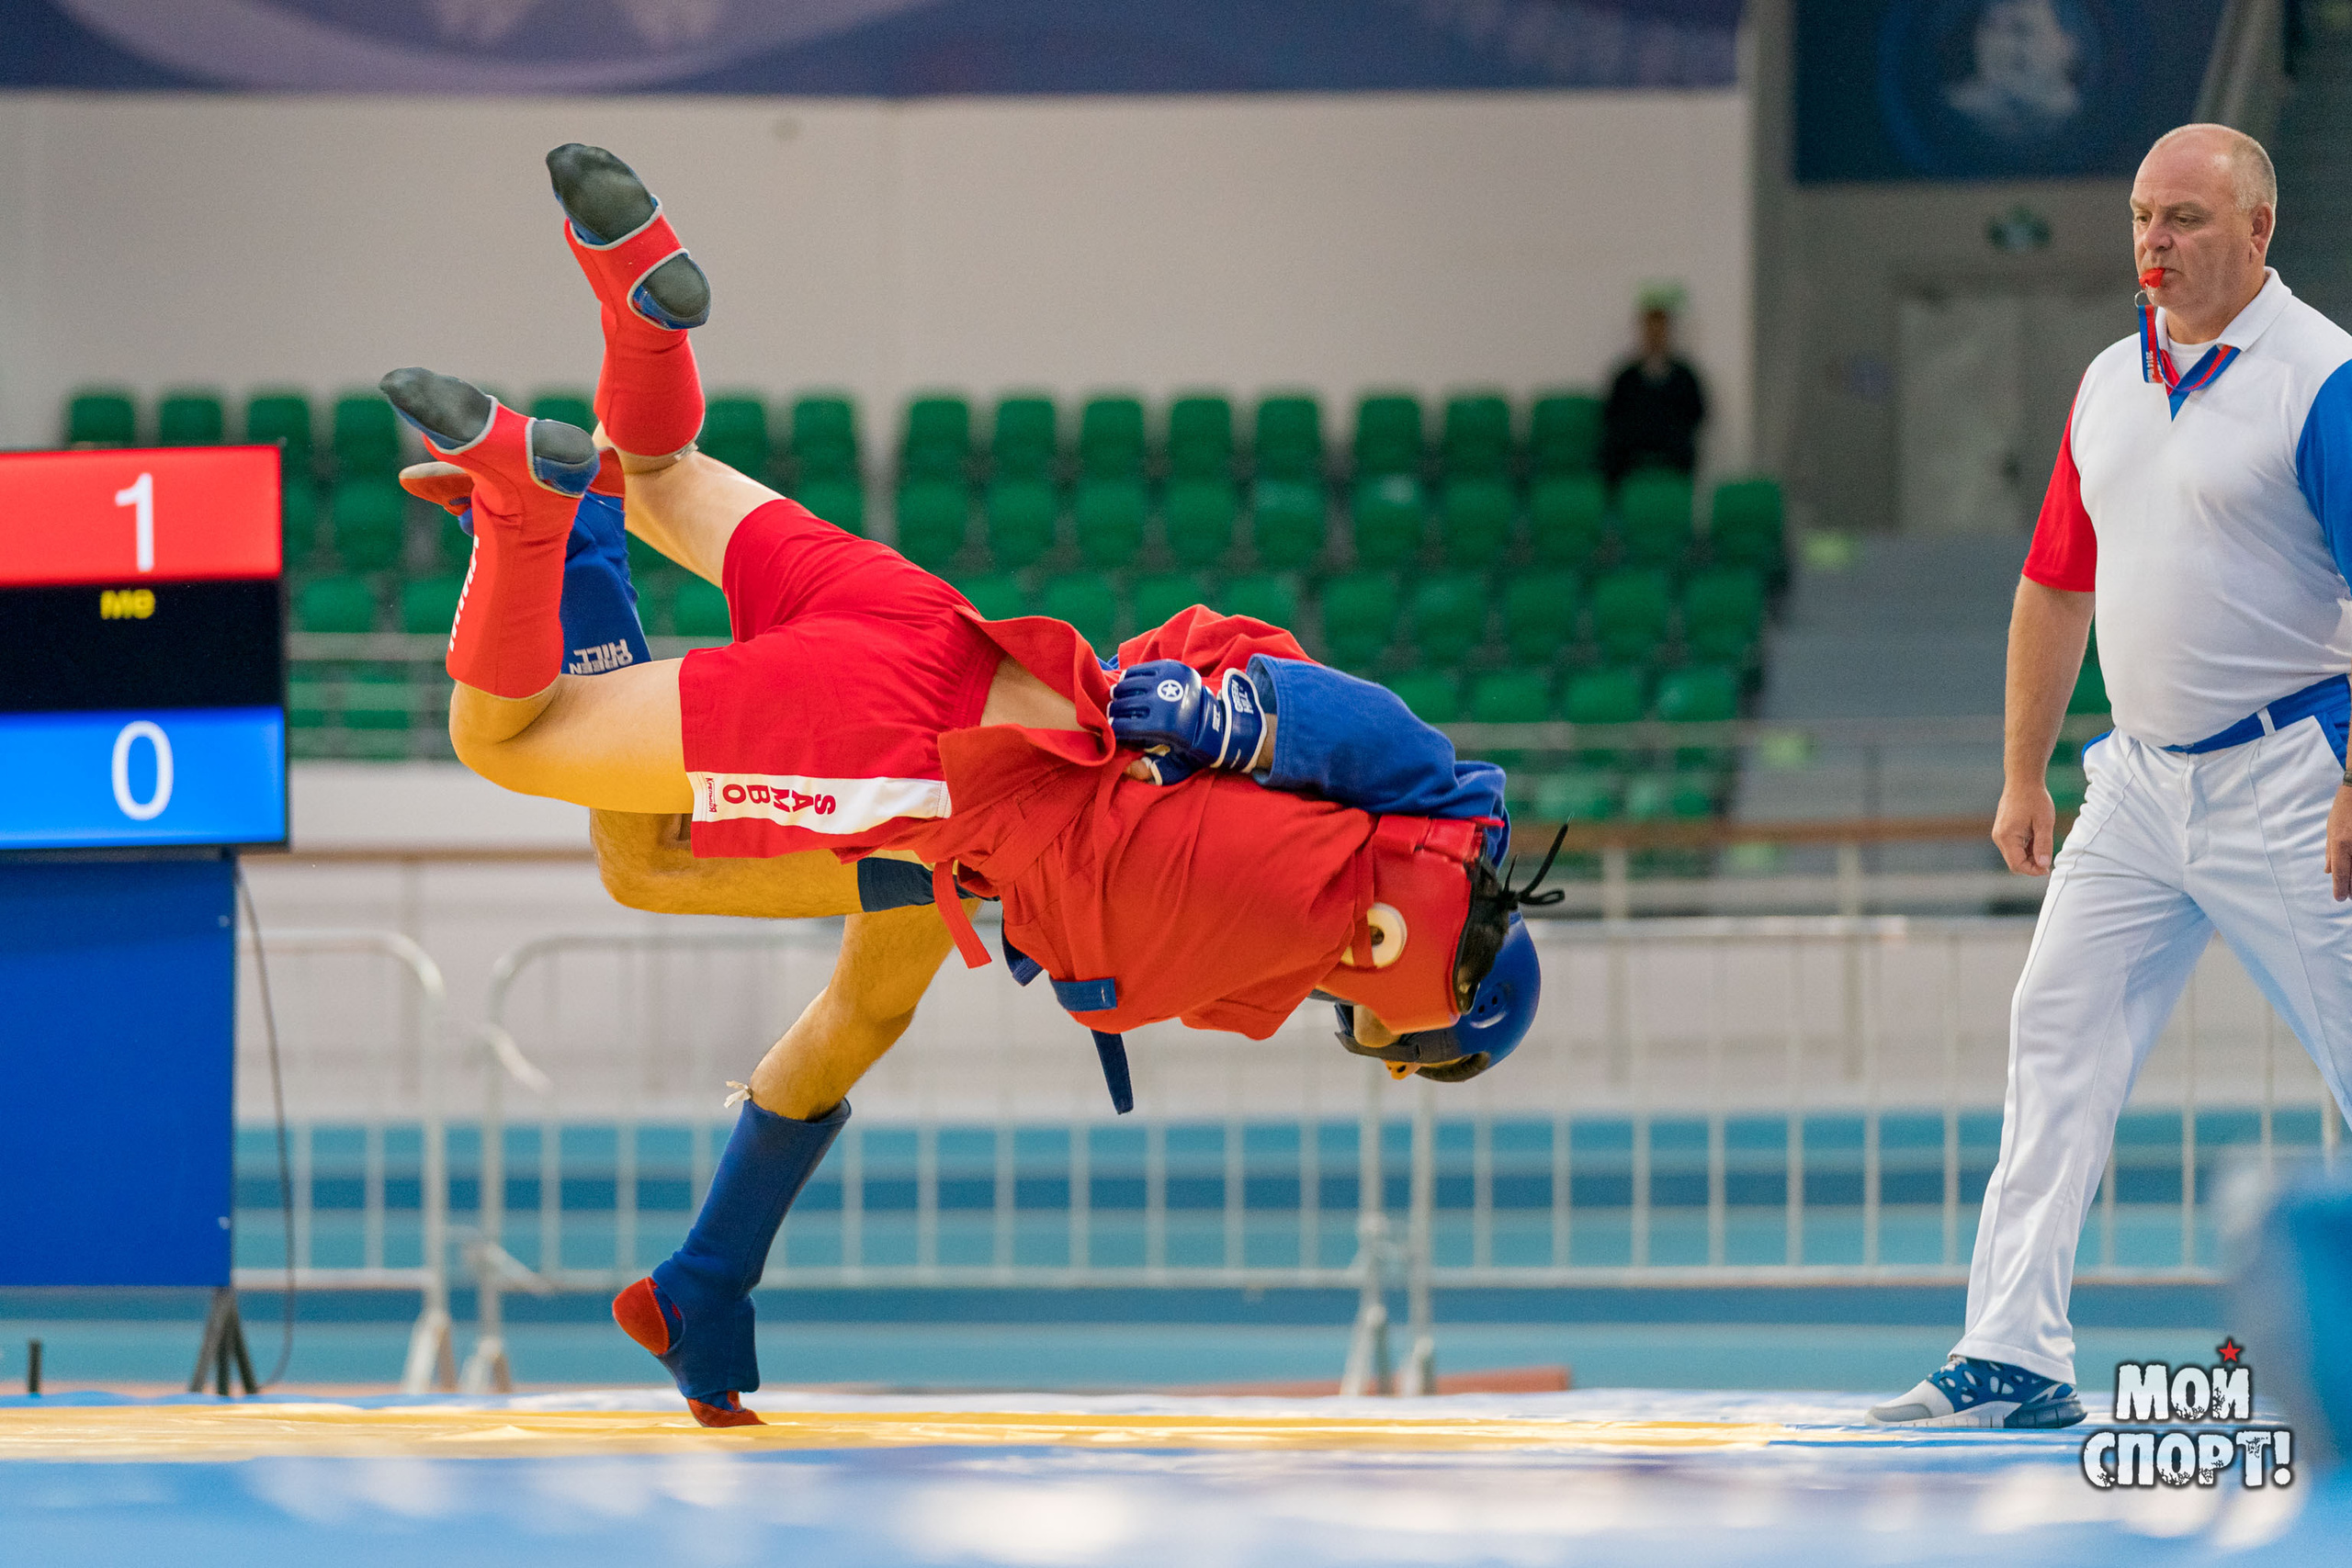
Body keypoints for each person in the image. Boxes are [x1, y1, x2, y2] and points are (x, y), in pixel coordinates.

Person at [393, 144, 1554, 1425]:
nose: (1388, 1070)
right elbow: (1340, 756)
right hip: (926, 767)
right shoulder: (1363, 913)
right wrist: (1228, 722)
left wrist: (1221, 717)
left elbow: (1311, 721)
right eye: (1417, 1059)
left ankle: (636, 313)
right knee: (530, 757)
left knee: (658, 489)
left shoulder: (1352, 864)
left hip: (958, 657)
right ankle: (532, 520)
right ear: (1446, 1004)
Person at [1870, 124, 2352, 1429]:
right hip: (2137, 784)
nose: (2154, 241)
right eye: (2142, 215)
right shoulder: (2104, 383)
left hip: (2297, 769)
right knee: (2056, 1029)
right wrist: (2022, 771)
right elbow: (2052, 583)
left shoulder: (2322, 380)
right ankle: (2014, 1352)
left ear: (2260, 231)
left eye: (2186, 219)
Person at [1600, 299, 1706, 489]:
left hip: (1671, 443)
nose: (1655, 337)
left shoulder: (1684, 375)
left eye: (1660, 331)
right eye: (1650, 331)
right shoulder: (1626, 377)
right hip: (1634, 443)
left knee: (1685, 449)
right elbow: (1612, 413)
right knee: (1612, 451)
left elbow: (1697, 412)